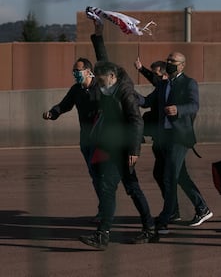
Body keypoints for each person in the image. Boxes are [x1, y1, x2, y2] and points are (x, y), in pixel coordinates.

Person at [78, 60, 158, 250]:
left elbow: (136, 122)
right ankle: (148, 228)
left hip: (124, 148)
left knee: (118, 189)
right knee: (128, 188)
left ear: (112, 76)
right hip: (112, 147)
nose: (99, 82)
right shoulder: (109, 87)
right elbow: (103, 56)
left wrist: (134, 150)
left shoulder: (125, 92)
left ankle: (104, 234)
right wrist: (98, 36)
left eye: (101, 79)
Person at [143, 51, 213, 234]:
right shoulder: (163, 84)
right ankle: (202, 208)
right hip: (163, 137)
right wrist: (125, 92)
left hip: (179, 138)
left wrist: (178, 109)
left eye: (172, 61)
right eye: (167, 60)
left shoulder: (189, 83)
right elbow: (145, 101)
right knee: (175, 175)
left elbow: (194, 105)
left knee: (170, 176)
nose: (169, 63)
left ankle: (166, 218)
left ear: (182, 65)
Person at [42, 59, 101, 223]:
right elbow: (64, 105)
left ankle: (106, 209)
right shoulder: (76, 90)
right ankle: (104, 207)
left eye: (78, 70)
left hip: (102, 140)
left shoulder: (101, 87)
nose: (75, 73)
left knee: (101, 175)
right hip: (86, 140)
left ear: (89, 71)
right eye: (74, 71)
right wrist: (52, 113)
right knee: (94, 175)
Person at [134, 58, 182, 224]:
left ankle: (189, 208)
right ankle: (174, 209)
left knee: (172, 177)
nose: (155, 78)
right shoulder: (161, 87)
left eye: (157, 74)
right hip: (160, 139)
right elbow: (146, 100)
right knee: (162, 175)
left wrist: (142, 70)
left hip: (171, 139)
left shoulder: (171, 87)